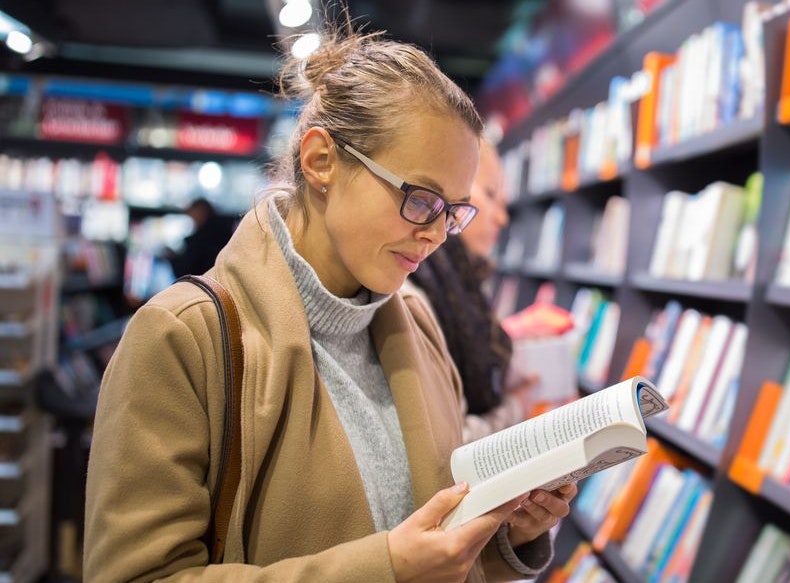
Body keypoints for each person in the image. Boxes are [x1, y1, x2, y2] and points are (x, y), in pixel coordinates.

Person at [83, 17, 574, 583]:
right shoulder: (182, 337)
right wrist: (384, 569)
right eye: (421, 199)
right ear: (320, 162)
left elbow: (439, 548)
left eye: (455, 212)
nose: (437, 234)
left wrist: (509, 533)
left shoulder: (417, 324)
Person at [406, 137, 538, 444]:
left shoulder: (459, 283)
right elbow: (447, 440)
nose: (502, 217)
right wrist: (517, 407)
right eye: (491, 194)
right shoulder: (415, 289)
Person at [167, 197, 237, 278]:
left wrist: (172, 258)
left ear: (201, 211)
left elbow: (187, 271)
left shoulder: (202, 238)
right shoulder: (227, 228)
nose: (192, 218)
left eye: (193, 213)